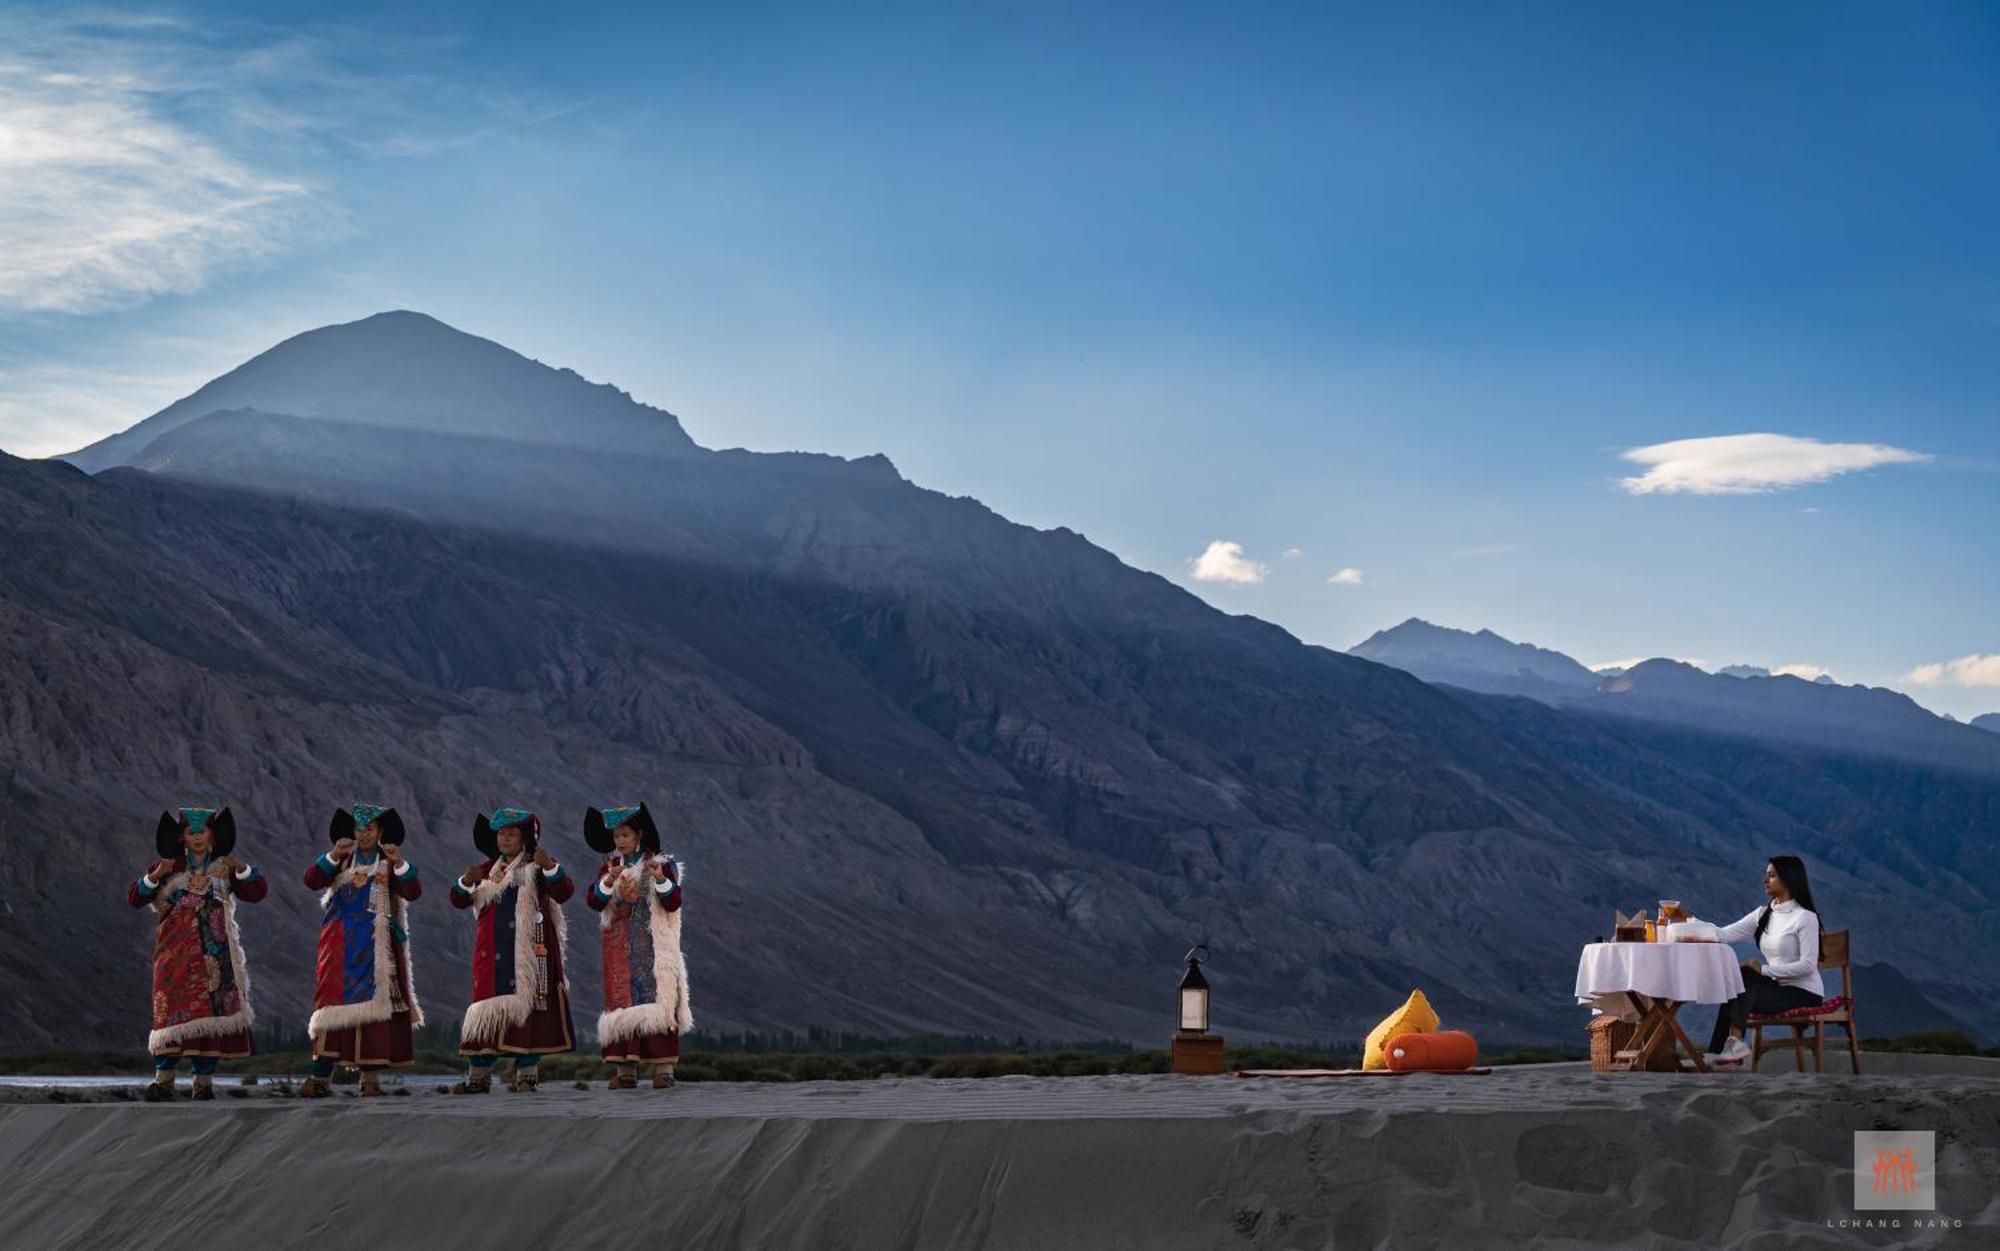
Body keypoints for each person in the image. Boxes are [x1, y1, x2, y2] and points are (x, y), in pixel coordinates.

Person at [126, 807, 267, 1101]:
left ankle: (202, 1083)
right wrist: (156, 876)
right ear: (183, 837)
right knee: (170, 1015)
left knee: (210, 1015)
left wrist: (241, 867)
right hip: (173, 954)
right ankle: (163, 1080)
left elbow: (257, 891)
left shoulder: (224, 867)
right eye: (192, 833)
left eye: (202, 832)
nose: (198, 838)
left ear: (211, 834)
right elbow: (135, 898)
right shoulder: (168, 866)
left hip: (215, 952)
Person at [300, 804, 423, 1098]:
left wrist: (400, 863)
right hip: (340, 947)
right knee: (332, 1009)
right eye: (359, 828)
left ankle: (369, 1079)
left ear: (380, 832)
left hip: (378, 947)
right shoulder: (341, 862)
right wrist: (333, 855)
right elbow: (311, 880)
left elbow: (413, 892)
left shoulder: (390, 862)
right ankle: (320, 1077)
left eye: (369, 829)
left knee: (376, 1009)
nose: (363, 834)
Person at [449, 807, 575, 1092]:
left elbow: (564, 892)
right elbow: (457, 899)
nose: (504, 839)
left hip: (529, 953)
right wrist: (466, 882)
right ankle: (478, 1077)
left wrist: (551, 868)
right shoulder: (486, 870)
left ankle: (527, 1075)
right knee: (485, 1011)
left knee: (529, 1010)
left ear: (525, 838)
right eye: (501, 834)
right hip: (490, 951)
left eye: (511, 834)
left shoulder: (537, 866)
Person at [583, 804, 693, 1090]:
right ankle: (625, 1069)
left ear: (640, 834)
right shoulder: (609, 868)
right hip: (619, 947)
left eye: (625, 834)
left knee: (660, 1002)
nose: (620, 841)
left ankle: (664, 1067)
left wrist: (658, 878)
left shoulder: (662, 865)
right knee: (622, 1006)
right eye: (617, 836)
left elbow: (673, 902)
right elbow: (594, 902)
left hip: (654, 947)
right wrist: (608, 881)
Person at [1706, 855, 1826, 1065]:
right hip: (1776, 989)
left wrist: (1764, 971)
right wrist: (1689, 923)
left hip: (1804, 993)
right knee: (1741, 976)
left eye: (1771, 876)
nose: (1765, 881)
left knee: (1747, 976)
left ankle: (1731, 1046)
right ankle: (1721, 1051)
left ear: (1788, 879)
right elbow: (1723, 935)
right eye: (1766, 875)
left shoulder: (1804, 917)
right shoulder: (1763, 914)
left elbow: (1808, 966)